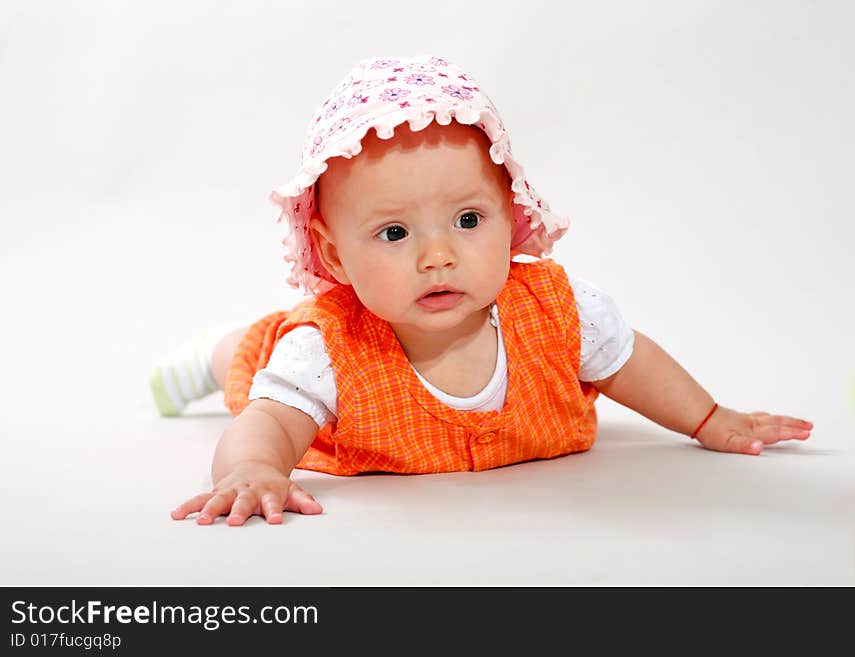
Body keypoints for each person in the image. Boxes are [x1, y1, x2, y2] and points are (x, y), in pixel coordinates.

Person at [152, 55, 813, 527]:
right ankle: (209, 353)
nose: (438, 256)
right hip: (283, 372)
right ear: (334, 254)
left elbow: (629, 361)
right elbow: (266, 422)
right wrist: (254, 469)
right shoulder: (323, 350)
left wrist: (708, 417)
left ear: (509, 210)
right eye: (393, 233)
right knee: (247, 360)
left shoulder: (555, 310)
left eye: (468, 220)